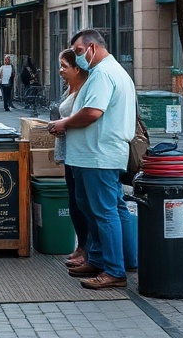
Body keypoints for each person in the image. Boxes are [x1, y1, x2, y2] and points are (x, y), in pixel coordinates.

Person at [47, 29, 136, 290]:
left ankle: (114, 270)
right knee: (99, 211)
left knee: (104, 213)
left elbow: (92, 112)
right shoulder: (109, 72)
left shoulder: (103, 74)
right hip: (93, 155)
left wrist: (64, 123)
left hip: (99, 156)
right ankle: (98, 260)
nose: (77, 58)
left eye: (77, 52)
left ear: (92, 48)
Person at [49, 49, 90, 268]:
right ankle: (81, 245)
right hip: (67, 152)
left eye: (65, 66)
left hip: (79, 153)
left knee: (80, 202)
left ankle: (86, 248)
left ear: (77, 69)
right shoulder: (69, 89)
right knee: (74, 201)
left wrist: (63, 125)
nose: (60, 70)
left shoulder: (84, 91)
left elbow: (83, 118)